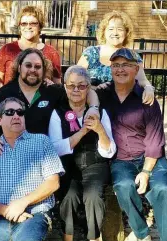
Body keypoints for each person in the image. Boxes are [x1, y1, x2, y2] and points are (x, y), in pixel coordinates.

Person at [97, 48, 167, 241]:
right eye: (116, 65)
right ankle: (142, 233)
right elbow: (78, 91)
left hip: (150, 157)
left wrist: (146, 171)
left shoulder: (146, 98)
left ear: (136, 69)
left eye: (126, 65)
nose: (120, 69)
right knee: (124, 186)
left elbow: (154, 138)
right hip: (121, 159)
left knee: (162, 191)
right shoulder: (102, 95)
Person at [0, 48, 99, 156]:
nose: (33, 70)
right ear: (19, 68)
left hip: (43, 157)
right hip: (10, 155)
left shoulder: (53, 91)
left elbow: (85, 91)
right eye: (28, 65)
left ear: (43, 70)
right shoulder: (4, 93)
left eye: (37, 66)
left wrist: (93, 107)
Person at [0, 97, 65, 241]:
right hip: (0, 217)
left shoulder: (41, 142)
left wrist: (23, 202)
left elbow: (53, 182)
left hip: (34, 214)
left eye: (20, 112)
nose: (16, 116)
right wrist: (5, 210)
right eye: (10, 112)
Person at [48, 65, 116, 241]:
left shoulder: (100, 112)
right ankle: (67, 237)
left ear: (88, 87)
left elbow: (109, 151)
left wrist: (100, 130)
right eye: (71, 86)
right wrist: (83, 132)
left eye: (81, 85)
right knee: (69, 196)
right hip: (68, 165)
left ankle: (94, 237)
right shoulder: (58, 113)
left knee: (93, 196)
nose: (76, 90)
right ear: (65, 87)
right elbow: (55, 148)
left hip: (95, 164)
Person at [77, 10, 154, 105]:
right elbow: (75, 78)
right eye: (111, 29)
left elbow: (142, 80)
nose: (115, 33)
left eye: (120, 29)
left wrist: (149, 88)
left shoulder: (133, 56)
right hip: (91, 107)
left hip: (121, 109)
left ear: (126, 33)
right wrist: (94, 89)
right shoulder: (91, 53)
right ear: (104, 32)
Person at [0, 5, 62, 86]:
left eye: (33, 23)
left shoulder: (52, 53)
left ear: (40, 26)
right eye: (24, 24)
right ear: (19, 26)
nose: (28, 27)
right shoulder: (7, 49)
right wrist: (4, 95)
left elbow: (57, 83)